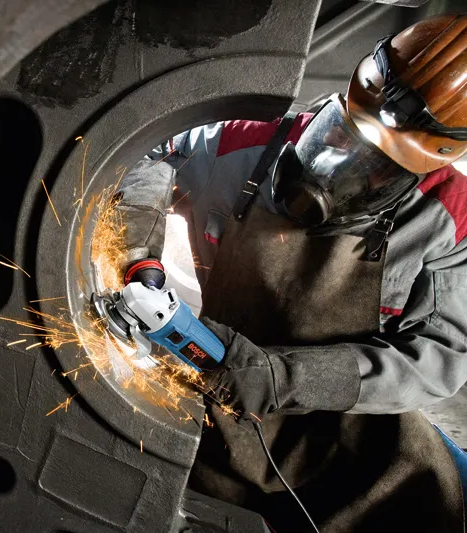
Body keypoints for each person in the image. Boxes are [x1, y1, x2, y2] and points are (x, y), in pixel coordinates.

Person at [115, 14, 467, 532]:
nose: (342, 166)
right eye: (345, 134)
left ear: (439, 153)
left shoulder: (451, 216)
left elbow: (438, 359)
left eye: (380, 165)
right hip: (214, 407)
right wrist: (139, 257)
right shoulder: (247, 142)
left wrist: (285, 377)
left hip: (352, 444)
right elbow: (148, 151)